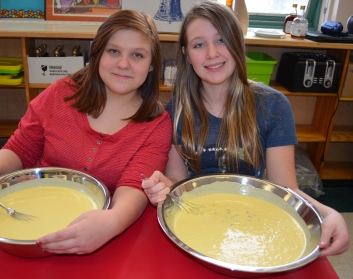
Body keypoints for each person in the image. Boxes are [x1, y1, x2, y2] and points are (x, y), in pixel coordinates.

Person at [142, 1, 350, 256]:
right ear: (186, 53)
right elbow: (178, 186)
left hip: (255, 223)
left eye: (221, 40)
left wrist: (327, 213)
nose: (212, 53)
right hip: (198, 223)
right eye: (199, 45)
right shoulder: (176, 110)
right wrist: (164, 187)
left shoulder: (273, 105)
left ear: (237, 44)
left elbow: (286, 189)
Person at [0, 10, 172, 254]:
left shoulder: (156, 125)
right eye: (114, 51)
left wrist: (112, 222)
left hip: (98, 230)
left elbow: (134, 186)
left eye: (137, 55)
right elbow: (21, 147)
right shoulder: (61, 93)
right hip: (34, 210)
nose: (123, 64)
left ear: (152, 64)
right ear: (98, 53)